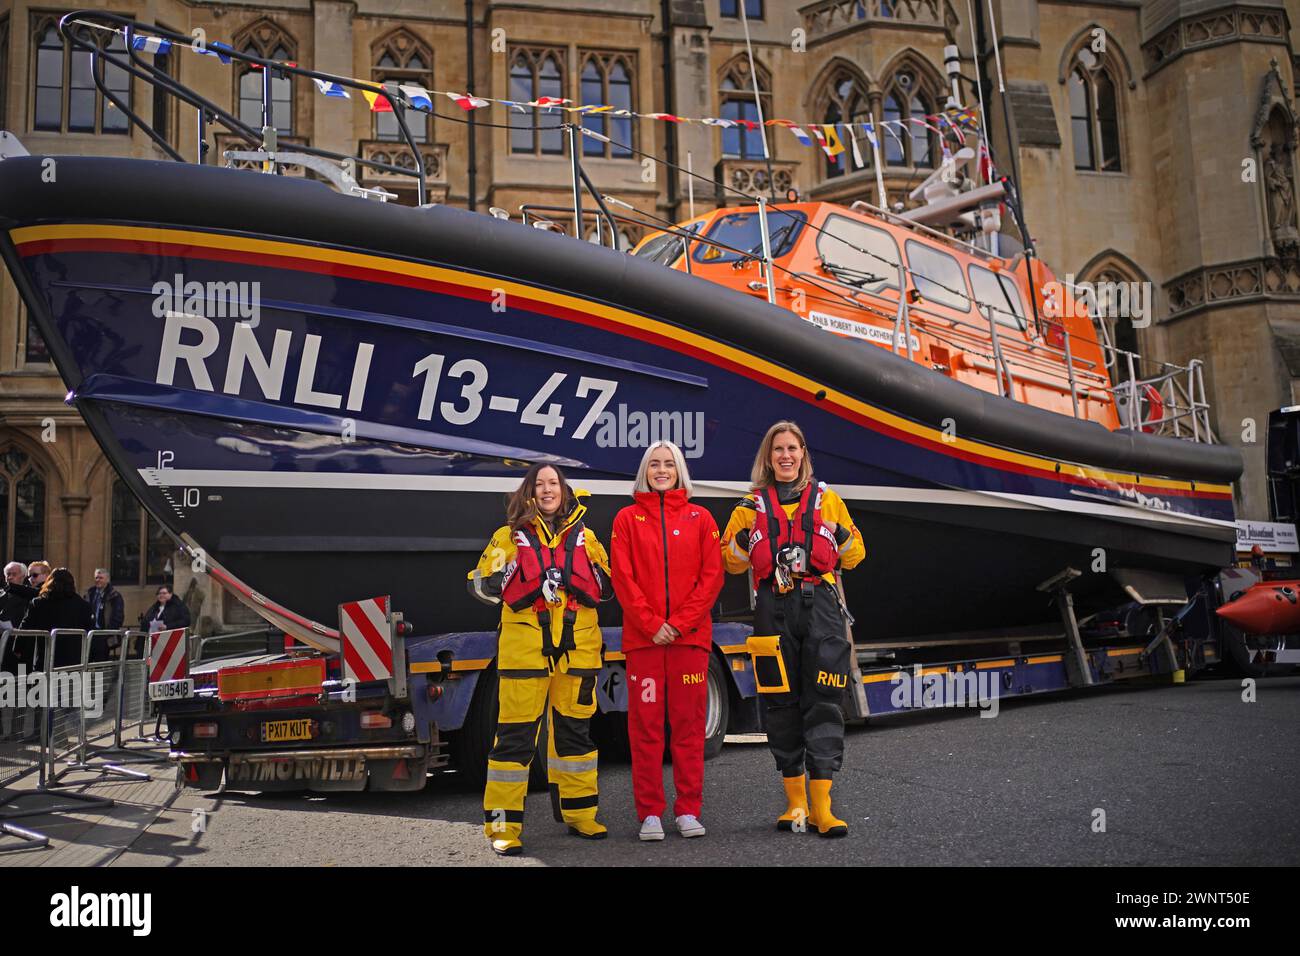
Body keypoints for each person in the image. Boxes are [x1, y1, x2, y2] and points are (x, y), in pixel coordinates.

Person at [721, 421, 865, 837]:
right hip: (772, 607)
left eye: (792, 448)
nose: (785, 456)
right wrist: (744, 542)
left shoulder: (828, 500)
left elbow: (855, 554)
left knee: (823, 699)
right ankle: (795, 804)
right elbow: (729, 561)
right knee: (781, 705)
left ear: (803, 453)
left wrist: (838, 536)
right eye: (777, 449)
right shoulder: (749, 506)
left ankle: (823, 806)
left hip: (819, 605)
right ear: (768, 457)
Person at [467, 463, 613, 856]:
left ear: (564, 492)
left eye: (554, 484)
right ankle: (502, 827)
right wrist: (517, 574)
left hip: (578, 650)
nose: (548, 491)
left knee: (576, 737)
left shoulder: (586, 537)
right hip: (525, 652)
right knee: (514, 741)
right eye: (540, 484)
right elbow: (480, 585)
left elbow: (607, 585)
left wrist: (575, 577)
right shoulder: (508, 537)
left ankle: (581, 814)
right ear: (528, 492)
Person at [610, 440, 724, 842]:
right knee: (646, 729)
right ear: (645, 470)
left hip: (688, 643)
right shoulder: (626, 519)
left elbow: (712, 579)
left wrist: (675, 625)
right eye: (654, 464)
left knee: (689, 729)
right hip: (645, 644)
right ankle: (651, 814)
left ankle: (689, 810)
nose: (661, 470)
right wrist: (650, 624)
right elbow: (622, 578)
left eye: (669, 464)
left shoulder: (701, 518)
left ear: (679, 471)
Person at [19, 568, 94, 670]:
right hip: (73, 660)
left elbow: (26, 626)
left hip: (46, 658)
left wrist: (18, 648)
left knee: (45, 684)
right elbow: (89, 629)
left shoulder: (38, 603)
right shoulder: (83, 605)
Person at [85, 568, 126, 662]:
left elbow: (118, 616)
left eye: (101, 578)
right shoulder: (90, 593)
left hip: (104, 635)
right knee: (88, 662)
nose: (98, 580)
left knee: (101, 663)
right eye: (96, 578)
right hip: (90, 634)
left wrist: (109, 633)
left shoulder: (114, 595)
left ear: (107, 579)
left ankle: (99, 677)